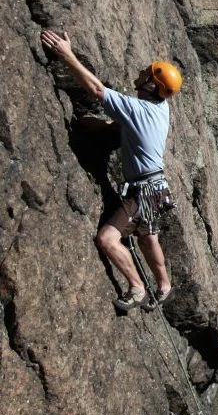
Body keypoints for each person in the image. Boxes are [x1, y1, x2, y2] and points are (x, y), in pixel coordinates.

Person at [40, 29, 183, 311]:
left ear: (153, 86)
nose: (142, 75)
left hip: (143, 190)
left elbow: (95, 89)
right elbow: (130, 129)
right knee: (148, 236)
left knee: (108, 239)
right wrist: (103, 127)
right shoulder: (160, 108)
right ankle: (164, 285)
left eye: (147, 76)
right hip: (156, 187)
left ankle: (137, 287)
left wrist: (66, 54)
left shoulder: (138, 109)